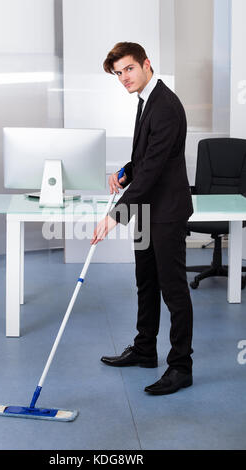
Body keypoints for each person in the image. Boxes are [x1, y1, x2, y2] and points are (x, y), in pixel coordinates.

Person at [91, 42, 194, 395]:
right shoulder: (147, 101)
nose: (123, 78)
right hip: (148, 211)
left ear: (147, 64)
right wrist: (124, 171)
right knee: (146, 282)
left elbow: (153, 169)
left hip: (166, 213)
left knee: (174, 290)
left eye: (128, 69)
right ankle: (145, 349)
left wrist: (115, 215)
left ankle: (181, 367)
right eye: (118, 73)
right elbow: (144, 158)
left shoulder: (164, 105)